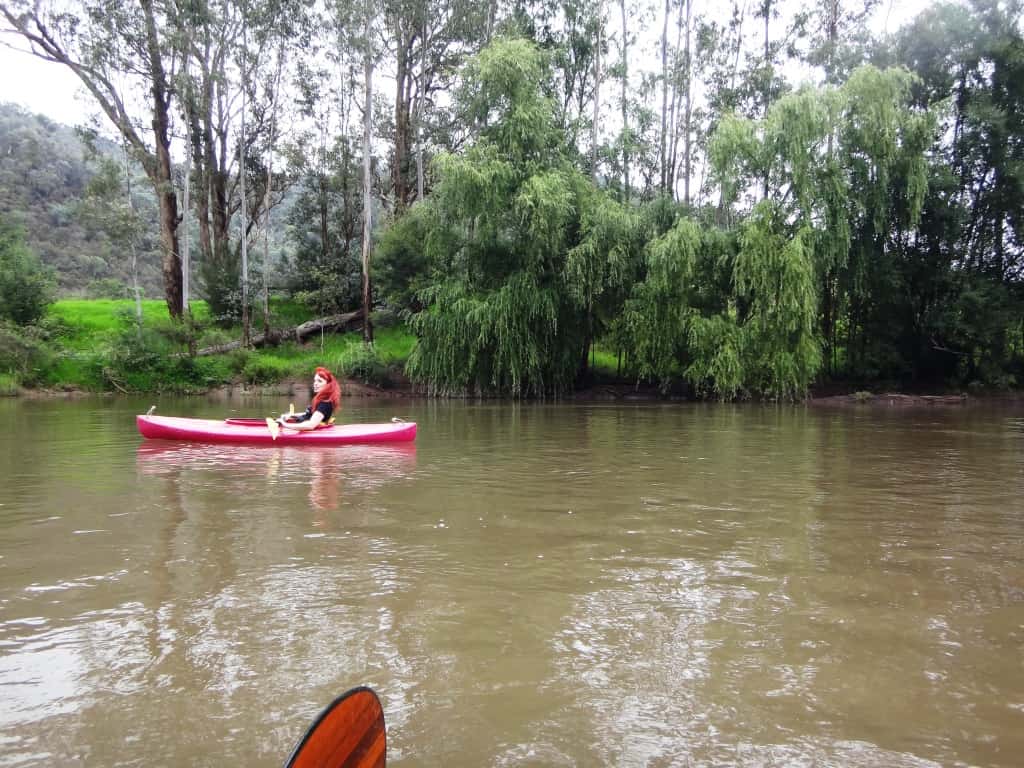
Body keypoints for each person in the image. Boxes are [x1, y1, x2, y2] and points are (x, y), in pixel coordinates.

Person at [277, 366, 341, 431]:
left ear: (328, 385)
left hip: (307, 430)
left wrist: (284, 424)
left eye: (319, 381)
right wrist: (291, 415)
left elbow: (311, 425)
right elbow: (309, 414)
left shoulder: (325, 403)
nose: (315, 384)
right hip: (301, 423)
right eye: (315, 381)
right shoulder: (322, 400)